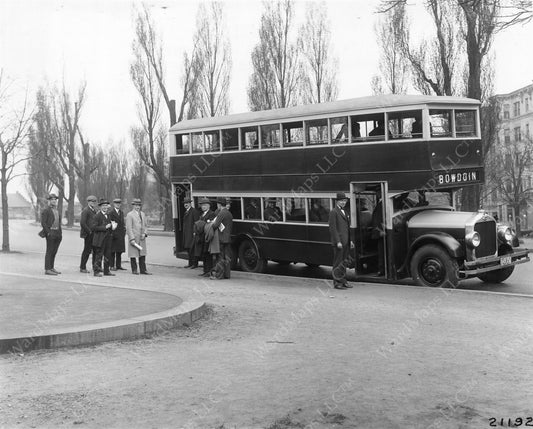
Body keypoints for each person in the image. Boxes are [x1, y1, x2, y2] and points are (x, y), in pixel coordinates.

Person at [328, 192, 354, 289]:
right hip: (339, 243)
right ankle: (337, 282)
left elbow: (347, 228)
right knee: (338, 263)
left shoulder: (345, 212)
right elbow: (333, 229)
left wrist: (350, 240)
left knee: (344, 262)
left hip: (346, 242)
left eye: (345, 201)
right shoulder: (333, 212)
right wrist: (338, 241)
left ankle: (343, 280)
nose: (343, 202)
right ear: (337, 201)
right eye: (341, 201)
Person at [211, 197, 234, 280]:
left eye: (217, 204)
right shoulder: (229, 213)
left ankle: (219, 276)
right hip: (228, 238)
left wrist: (212, 223)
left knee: (220, 257)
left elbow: (215, 225)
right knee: (226, 257)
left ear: (219, 204)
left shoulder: (221, 213)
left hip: (221, 238)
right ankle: (227, 275)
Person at [126, 198, 150, 275]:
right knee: (133, 255)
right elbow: (129, 228)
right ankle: (134, 269)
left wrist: (145, 233)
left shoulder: (143, 214)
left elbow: (146, 225)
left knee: (142, 254)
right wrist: (132, 238)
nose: (137, 207)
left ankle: (143, 270)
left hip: (142, 238)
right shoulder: (129, 215)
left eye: (139, 205)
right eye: (136, 205)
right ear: (133, 206)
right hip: (134, 238)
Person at [40, 193, 62, 275]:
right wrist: (48, 233)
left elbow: (58, 222)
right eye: (52, 199)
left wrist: (60, 233)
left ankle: (52, 267)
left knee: (54, 251)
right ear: (49, 201)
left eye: (55, 199)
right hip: (51, 233)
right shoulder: (46, 210)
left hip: (57, 233)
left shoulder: (56, 210)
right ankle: (47, 269)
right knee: (49, 251)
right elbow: (43, 223)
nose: (54, 201)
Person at [92, 198, 115, 277]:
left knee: (107, 255)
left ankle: (106, 271)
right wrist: (105, 227)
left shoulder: (108, 215)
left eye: (106, 205)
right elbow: (94, 228)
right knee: (99, 256)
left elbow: (109, 226)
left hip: (108, 239)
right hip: (100, 239)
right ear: (100, 207)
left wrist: (112, 227)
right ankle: (96, 271)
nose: (105, 207)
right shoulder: (97, 216)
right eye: (103, 206)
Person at [193, 197, 216, 277]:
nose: (203, 207)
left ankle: (209, 271)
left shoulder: (211, 214)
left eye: (205, 205)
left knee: (208, 255)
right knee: (204, 254)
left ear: (209, 206)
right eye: (202, 205)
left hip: (207, 237)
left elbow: (209, 225)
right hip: (201, 237)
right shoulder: (202, 214)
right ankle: (205, 270)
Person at [79, 195, 98, 273]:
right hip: (88, 234)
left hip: (94, 234)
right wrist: (89, 232)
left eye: (94, 201)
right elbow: (82, 223)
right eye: (91, 201)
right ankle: (82, 267)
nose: (93, 203)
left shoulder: (94, 210)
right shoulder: (86, 210)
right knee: (87, 251)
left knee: (95, 251)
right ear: (88, 202)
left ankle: (95, 267)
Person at [109, 198, 126, 270]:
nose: (118, 205)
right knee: (112, 251)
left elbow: (122, 223)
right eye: (116, 203)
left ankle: (118, 265)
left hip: (121, 234)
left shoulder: (121, 212)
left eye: (119, 204)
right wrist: (112, 233)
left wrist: (124, 231)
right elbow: (110, 223)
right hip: (114, 234)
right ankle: (112, 266)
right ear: (114, 204)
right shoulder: (111, 213)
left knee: (119, 251)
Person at [182, 197, 200, 268]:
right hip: (187, 233)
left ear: (190, 203)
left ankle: (194, 264)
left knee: (193, 249)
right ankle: (190, 263)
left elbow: (196, 222)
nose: (185, 204)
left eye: (187, 203)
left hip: (192, 233)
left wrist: (195, 232)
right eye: (185, 203)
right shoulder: (186, 211)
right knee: (189, 249)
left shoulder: (194, 211)